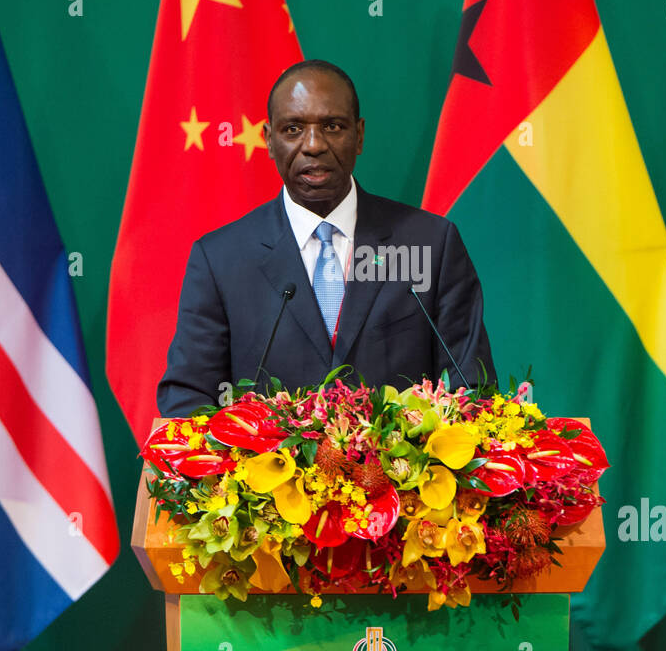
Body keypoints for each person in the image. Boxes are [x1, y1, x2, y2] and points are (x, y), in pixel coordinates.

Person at [156, 60, 494, 417]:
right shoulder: (221, 260)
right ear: (269, 141)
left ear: (359, 135)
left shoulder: (428, 244)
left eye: (332, 126)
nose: (313, 145)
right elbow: (188, 399)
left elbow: (472, 388)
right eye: (293, 129)